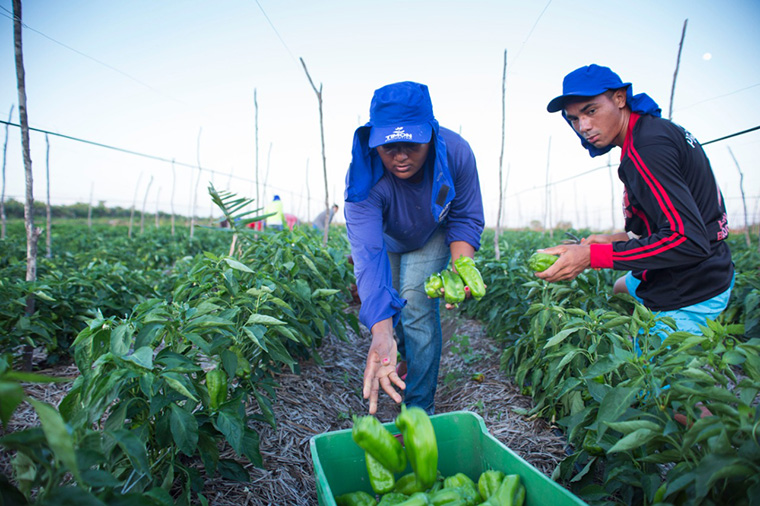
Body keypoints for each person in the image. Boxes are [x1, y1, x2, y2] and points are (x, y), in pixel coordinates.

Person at [539, 64, 734, 338]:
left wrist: (591, 257)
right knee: (621, 287)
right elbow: (668, 221)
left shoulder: (647, 149)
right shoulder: (649, 133)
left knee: (654, 378)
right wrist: (612, 240)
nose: (583, 126)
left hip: (691, 284)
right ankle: (635, 333)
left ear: (620, 99)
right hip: (702, 268)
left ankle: (652, 340)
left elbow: (688, 241)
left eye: (591, 111)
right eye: (573, 119)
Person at [344, 81, 484, 415]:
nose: (401, 156)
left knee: (417, 303)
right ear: (373, 139)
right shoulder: (365, 177)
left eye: (412, 144)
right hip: (387, 241)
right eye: (389, 146)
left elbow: (464, 215)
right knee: (392, 312)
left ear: (431, 135)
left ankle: (420, 409)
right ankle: (402, 355)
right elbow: (368, 253)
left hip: (432, 233)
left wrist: (460, 268)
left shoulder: (456, 153)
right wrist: (381, 332)